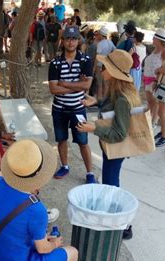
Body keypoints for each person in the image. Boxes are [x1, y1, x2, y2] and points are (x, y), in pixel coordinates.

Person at [76, 49, 141, 239]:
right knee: (111, 182)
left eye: (105, 67)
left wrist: (93, 128)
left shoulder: (122, 99)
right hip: (112, 149)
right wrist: (95, 101)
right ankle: (120, 221)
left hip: (115, 149)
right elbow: (111, 106)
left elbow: (119, 133)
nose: (101, 69)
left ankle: (122, 225)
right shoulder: (122, 91)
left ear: (113, 72)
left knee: (111, 185)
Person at [48, 25, 96, 183]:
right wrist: (77, 86)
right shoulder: (55, 63)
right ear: (62, 41)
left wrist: (65, 84)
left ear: (79, 41)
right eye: (67, 38)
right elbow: (53, 89)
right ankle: (65, 166)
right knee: (61, 140)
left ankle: (90, 173)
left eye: (74, 38)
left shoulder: (85, 60)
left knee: (83, 141)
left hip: (78, 109)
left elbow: (87, 86)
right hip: (59, 109)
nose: (71, 42)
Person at [143, 29, 165, 126]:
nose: (153, 39)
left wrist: (157, 79)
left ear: (158, 39)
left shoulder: (164, 51)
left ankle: (153, 121)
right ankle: (148, 120)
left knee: (154, 103)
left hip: (154, 80)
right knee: (150, 102)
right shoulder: (154, 49)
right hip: (147, 78)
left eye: (154, 37)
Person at [95, 26, 115, 105]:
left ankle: (99, 101)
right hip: (107, 66)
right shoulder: (110, 42)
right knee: (106, 84)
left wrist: (94, 67)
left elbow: (97, 57)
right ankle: (105, 100)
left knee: (99, 84)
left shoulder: (100, 44)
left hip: (100, 65)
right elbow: (115, 50)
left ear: (101, 35)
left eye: (98, 34)